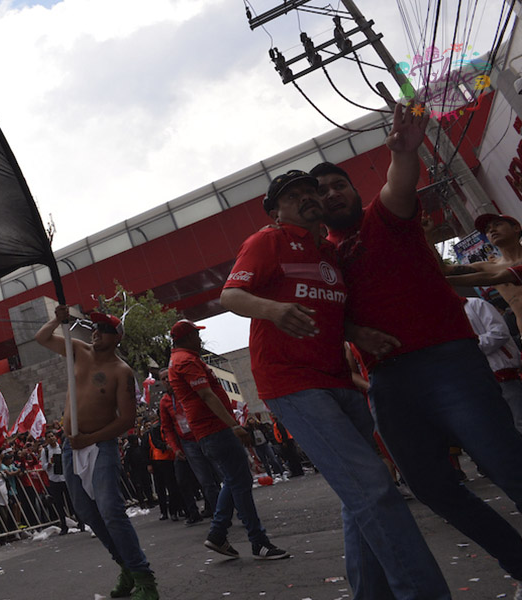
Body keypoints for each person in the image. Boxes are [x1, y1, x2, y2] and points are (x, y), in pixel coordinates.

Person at [316, 102, 522, 598]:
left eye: (337, 184)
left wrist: (405, 152)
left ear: (351, 189)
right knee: (430, 488)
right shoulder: (319, 260)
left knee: (506, 464)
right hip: (388, 382)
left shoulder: (383, 218)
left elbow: (398, 182)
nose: (331, 194)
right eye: (319, 193)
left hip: (448, 361)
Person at [219, 168, 449, 597]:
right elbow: (230, 296)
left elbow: (332, 313)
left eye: (311, 192)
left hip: (339, 382)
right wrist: (272, 310)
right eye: (294, 196)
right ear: (274, 211)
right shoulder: (267, 241)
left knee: (359, 495)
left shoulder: (328, 253)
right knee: (375, 489)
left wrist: (358, 334)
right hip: (293, 383)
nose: (308, 198)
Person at [35, 308, 159, 599]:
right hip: (70, 445)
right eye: (94, 326)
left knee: (111, 510)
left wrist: (91, 437)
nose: (96, 331)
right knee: (86, 511)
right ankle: (125, 566)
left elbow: (127, 420)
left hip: (101, 445)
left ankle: (144, 577)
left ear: (116, 337)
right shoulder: (78, 350)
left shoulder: (122, 371)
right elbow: (42, 338)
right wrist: (57, 318)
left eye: (103, 328)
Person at [167, 319, 289, 561]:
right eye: (196, 335)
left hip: (211, 431)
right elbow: (206, 395)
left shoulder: (182, 360)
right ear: (187, 338)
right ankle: (258, 542)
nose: (200, 340)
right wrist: (234, 426)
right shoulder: (187, 361)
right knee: (240, 484)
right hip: (216, 430)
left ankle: (218, 534)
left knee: (235, 481)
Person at [444, 214, 522, 332]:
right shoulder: (489, 266)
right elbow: (444, 269)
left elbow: (492, 277)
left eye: (498, 224)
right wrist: (427, 236)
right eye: (487, 229)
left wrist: (443, 280)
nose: (492, 230)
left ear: (516, 228)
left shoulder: (493, 271)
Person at [157, 368, 215, 524]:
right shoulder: (164, 402)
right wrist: (175, 448)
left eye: (168, 377)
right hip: (185, 443)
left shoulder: (187, 391)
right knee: (185, 480)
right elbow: (167, 428)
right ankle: (194, 512)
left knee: (209, 477)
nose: (167, 380)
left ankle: (216, 509)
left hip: (202, 436)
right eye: (163, 379)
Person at [462, 295, 522, 434]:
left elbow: (499, 333)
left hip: (501, 373)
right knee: (498, 428)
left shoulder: (474, 304)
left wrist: (468, 347)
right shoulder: (443, 317)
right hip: (476, 380)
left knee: (517, 421)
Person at [40, 430, 79, 534]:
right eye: (49, 437)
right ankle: (64, 526)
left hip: (64, 478)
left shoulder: (61, 447)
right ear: (46, 440)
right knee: (59, 504)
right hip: (54, 479)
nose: (51, 438)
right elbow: (43, 466)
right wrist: (50, 463)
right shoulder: (45, 451)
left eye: (52, 436)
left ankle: (81, 522)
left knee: (72, 500)